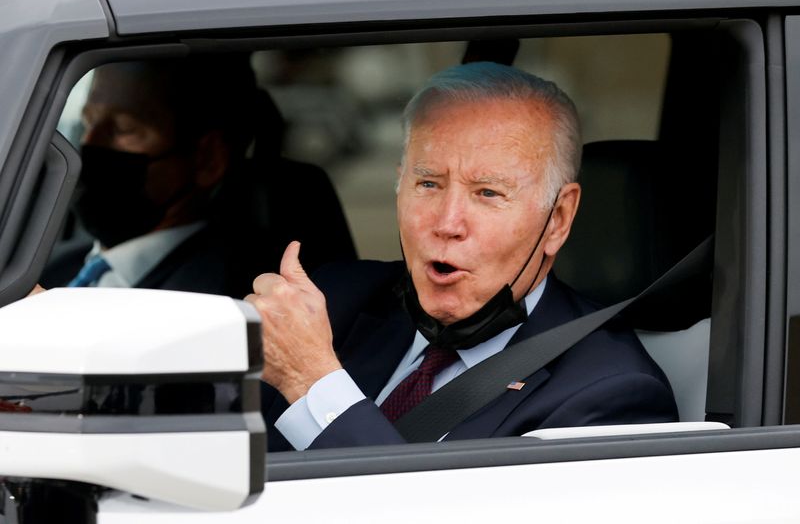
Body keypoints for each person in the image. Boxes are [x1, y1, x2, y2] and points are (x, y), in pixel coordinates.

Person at [248, 62, 678, 452]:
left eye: (487, 193)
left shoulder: (610, 396)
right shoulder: (335, 302)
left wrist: (315, 384)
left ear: (558, 219)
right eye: (428, 184)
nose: (447, 222)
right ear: (400, 186)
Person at [41, 57, 355, 297]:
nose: (89, 144)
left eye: (124, 130)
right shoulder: (46, 268)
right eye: (88, 122)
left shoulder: (221, 302)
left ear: (207, 160)